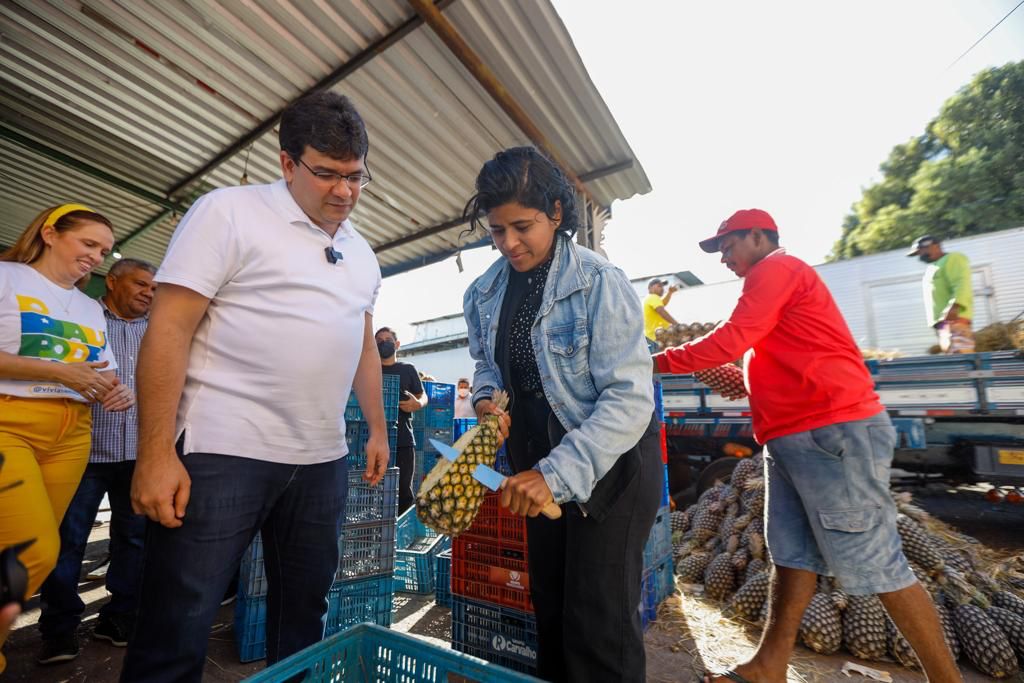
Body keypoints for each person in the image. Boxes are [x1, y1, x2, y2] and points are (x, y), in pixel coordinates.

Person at [122, 91, 390, 682]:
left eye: (355, 176)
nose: (344, 192)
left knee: (302, 620)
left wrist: (375, 427)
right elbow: (167, 329)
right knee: (179, 618)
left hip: (321, 459)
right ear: (288, 163)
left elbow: (361, 345)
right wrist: (156, 451)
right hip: (224, 451)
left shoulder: (362, 253)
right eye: (326, 173)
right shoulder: (228, 212)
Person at [654, 209, 960, 683]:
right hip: (796, 437)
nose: (724, 259)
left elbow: (733, 337)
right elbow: (791, 358)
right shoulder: (775, 281)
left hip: (831, 433)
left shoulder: (776, 268)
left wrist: (653, 362)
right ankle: (767, 667)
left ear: (759, 236)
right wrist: (748, 382)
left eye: (728, 246)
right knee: (792, 558)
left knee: (877, 563)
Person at [462, 147, 662, 683]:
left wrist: (555, 476)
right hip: (538, 474)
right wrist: (487, 401)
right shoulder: (484, 292)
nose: (508, 243)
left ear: (556, 211)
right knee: (550, 616)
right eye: (497, 230)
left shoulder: (599, 282)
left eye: (522, 226)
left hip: (610, 471)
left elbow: (628, 399)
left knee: (598, 631)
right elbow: (486, 364)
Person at [0, 204, 135, 674]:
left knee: (38, 550)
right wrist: (58, 371)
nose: (97, 257)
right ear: (51, 233)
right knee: (33, 549)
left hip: (74, 432)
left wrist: (117, 393)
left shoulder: (87, 306)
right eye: (89, 244)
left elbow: (101, 373)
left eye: (103, 250)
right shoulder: (7, 278)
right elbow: (70, 371)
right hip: (9, 423)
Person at [37, 258, 156, 664]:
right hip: (82, 452)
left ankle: (118, 618)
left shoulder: (155, 329)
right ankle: (58, 629)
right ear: (114, 281)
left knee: (134, 539)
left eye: (154, 289)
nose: (148, 293)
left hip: (137, 454)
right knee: (66, 541)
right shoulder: (83, 317)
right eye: (141, 284)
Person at [374, 326, 426, 515]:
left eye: (387, 339)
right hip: (373, 439)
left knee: (403, 490)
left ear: (397, 344)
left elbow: (423, 395)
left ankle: (399, 534)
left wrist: (418, 404)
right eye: (378, 340)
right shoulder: (369, 369)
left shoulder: (408, 369)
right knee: (374, 491)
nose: (383, 343)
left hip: (403, 439)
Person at [907, 235, 975, 354]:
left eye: (921, 251)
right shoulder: (933, 266)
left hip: (955, 320)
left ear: (935, 246)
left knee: (961, 357)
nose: (920, 255)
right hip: (943, 323)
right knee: (952, 358)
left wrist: (955, 306)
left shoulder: (953, 258)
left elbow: (961, 283)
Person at [643, 277, 680, 351]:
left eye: (663, 286)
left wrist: (670, 292)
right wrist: (677, 325)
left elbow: (663, 303)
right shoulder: (653, 297)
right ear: (650, 288)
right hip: (657, 338)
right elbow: (661, 311)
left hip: (654, 338)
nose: (662, 288)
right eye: (659, 286)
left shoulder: (650, 299)